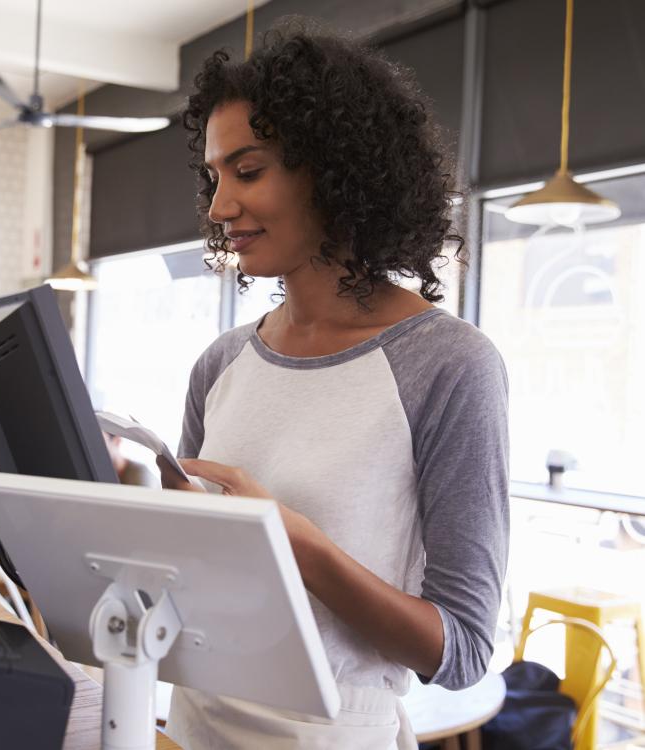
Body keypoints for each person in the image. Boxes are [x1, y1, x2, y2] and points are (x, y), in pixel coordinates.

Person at [156, 20, 509, 750]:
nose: (220, 208)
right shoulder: (220, 365)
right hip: (191, 727)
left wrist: (300, 547)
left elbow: (463, 650)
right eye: (214, 177)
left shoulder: (448, 366)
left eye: (247, 171)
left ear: (334, 169)